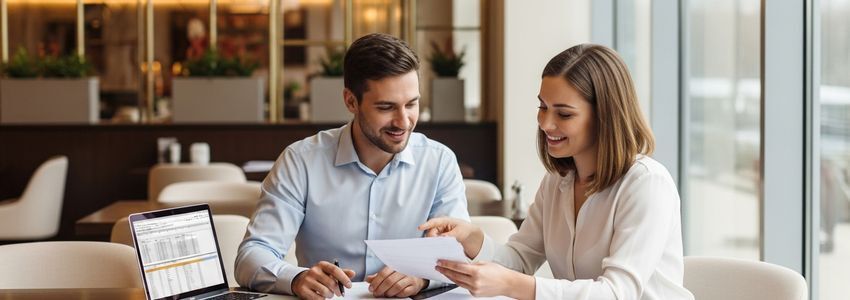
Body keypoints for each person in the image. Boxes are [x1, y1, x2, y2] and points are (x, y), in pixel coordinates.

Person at [419, 44, 695, 300]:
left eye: (564, 114)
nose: (545, 124)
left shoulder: (646, 184)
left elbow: (616, 293)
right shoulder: (558, 182)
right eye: (543, 107)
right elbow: (520, 258)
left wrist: (513, 285)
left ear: (605, 117)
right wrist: (472, 237)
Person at [235, 33, 469, 299]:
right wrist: (296, 278)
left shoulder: (439, 162)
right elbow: (251, 256)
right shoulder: (301, 160)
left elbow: (458, 257)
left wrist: (422, 279)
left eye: (411, 104)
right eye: (386, 107)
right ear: (351, 101)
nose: (403, 121)